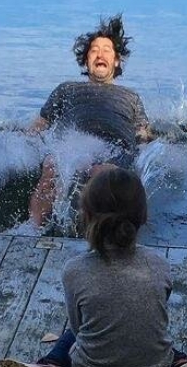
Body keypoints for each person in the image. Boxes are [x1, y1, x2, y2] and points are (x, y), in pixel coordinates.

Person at [0, 167, 187, 367]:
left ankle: (52, 365)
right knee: (147, 330)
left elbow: (79, 328)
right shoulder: (159, 264)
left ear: (87, 215)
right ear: (143, 217)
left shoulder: (75, 270)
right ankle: (179, 362)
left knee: (74, 332)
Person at [27, 14, 154, 229]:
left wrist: (159, 135)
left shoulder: (130, 96)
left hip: (114, 150)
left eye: (106, 50)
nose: (99, 54)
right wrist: (18, 134)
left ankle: (96, 238)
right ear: (86, 60)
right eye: (94, 50)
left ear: (116, 60)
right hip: (71, 145)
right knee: (51, 167)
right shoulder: (66, 88)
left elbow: (142, 132)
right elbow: (41, 123)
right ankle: (31, 233)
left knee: (102, 174)